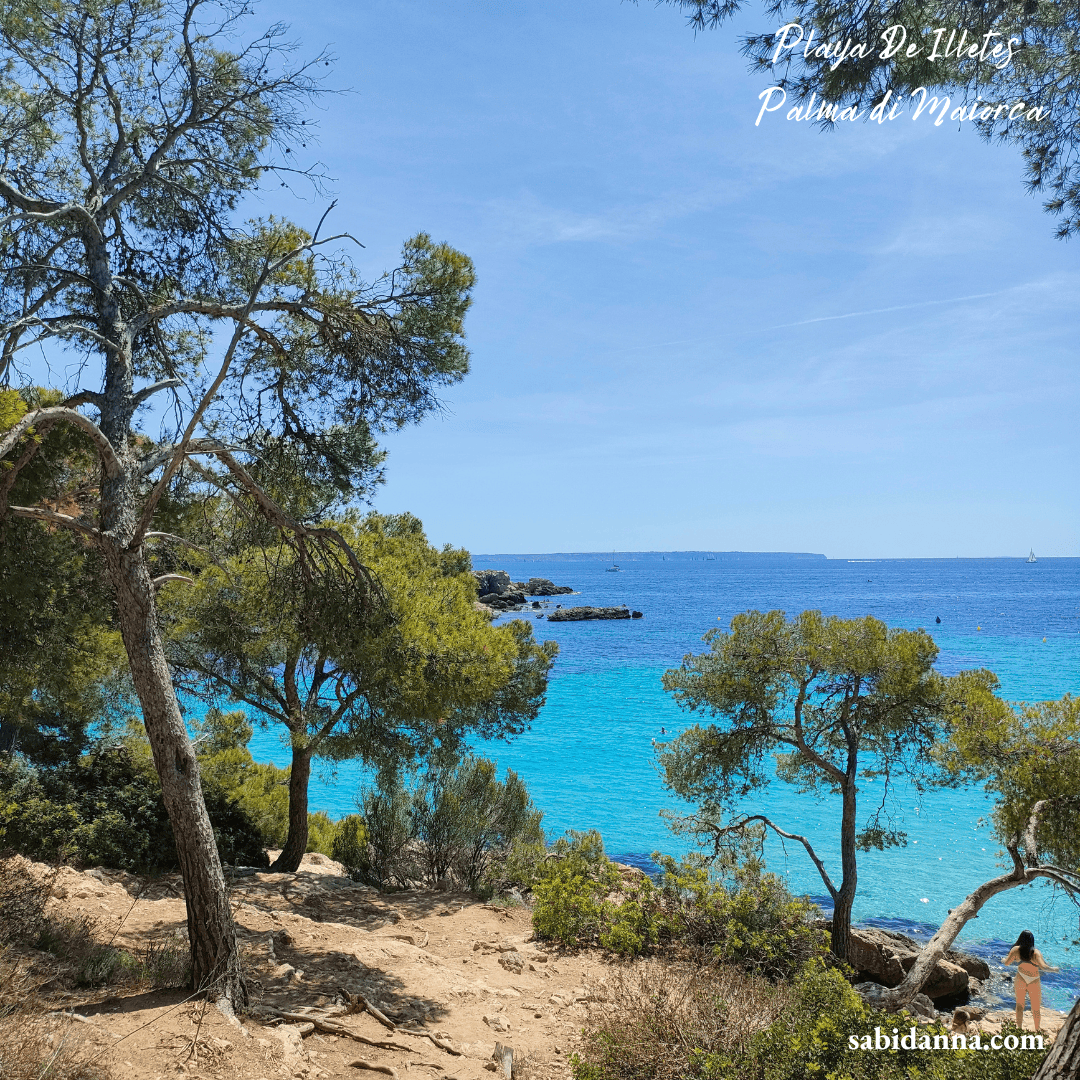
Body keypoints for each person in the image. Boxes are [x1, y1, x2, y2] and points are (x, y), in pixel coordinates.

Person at [1002, 930, 1059, 1031]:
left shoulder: (1016, 949)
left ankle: (1019, 1029)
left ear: (1020, 939)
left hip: (1021, 978)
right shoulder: (1035, 953)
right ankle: (1037, 1029)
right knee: (1036, 1007)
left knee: (1019, 1005)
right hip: (1034, 979)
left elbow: (1007, 963)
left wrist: (1003, 960)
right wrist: (1054, 969)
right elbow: (1044, 967)